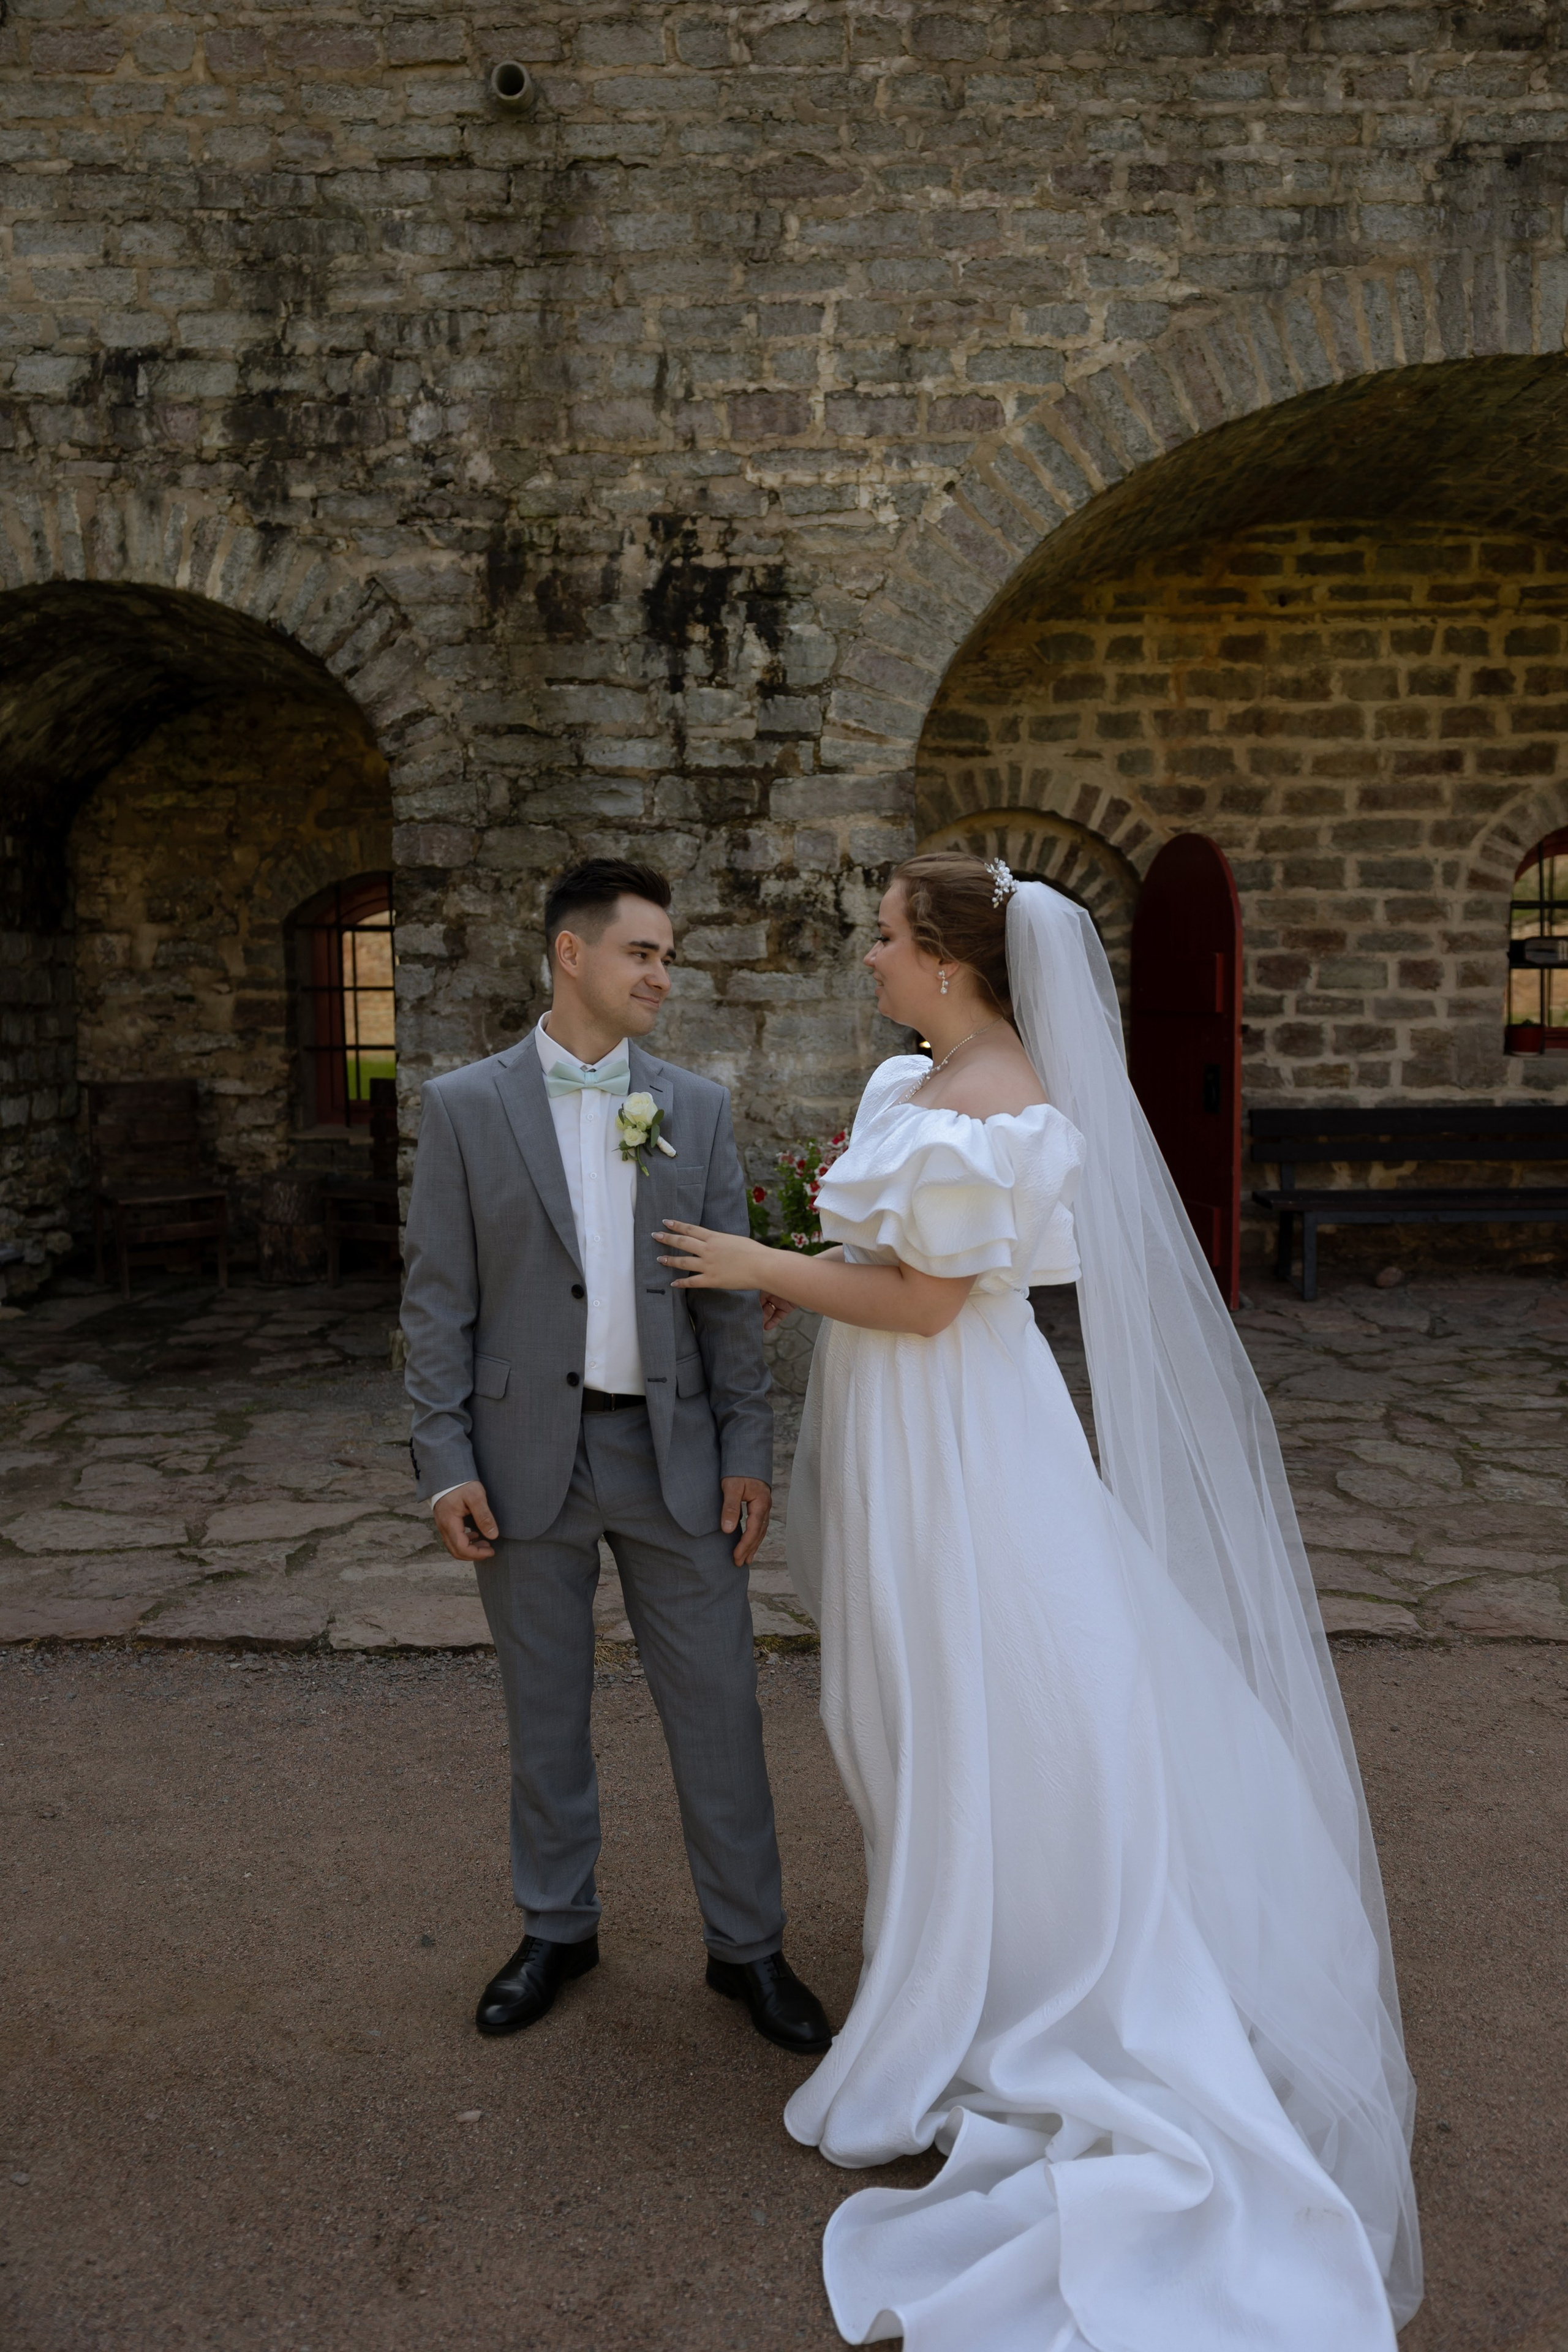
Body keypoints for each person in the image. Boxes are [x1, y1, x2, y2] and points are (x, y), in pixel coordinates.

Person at [655, 852, 1421, 2350]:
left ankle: (1007, 1979)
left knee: (983, 1697)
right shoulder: (913, 1081)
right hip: (900, 1430)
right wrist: (805, 1266)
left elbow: (930, 1304)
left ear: (950, 962)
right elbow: (882, 1259)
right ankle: (941, 1943)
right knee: (899, 1700)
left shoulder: (1010, 1110)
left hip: (961, 1439)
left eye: (882, 939)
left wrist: (760, 1263)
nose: (866, 960)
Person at [400, 856, 831, 2057]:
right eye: (643, 952)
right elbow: (435, 1305)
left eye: (668, 955)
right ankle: (556, 1927)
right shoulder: (463, 1107)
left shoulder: (691, 1108)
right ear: (572, 954)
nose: (662, 973)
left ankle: (746, 1947)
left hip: (675, 1457)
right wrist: (444, 1461)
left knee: (721, 1713)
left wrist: (745, 1448)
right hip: (517, 1457)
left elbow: (722, 1301)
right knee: (544, 1714)